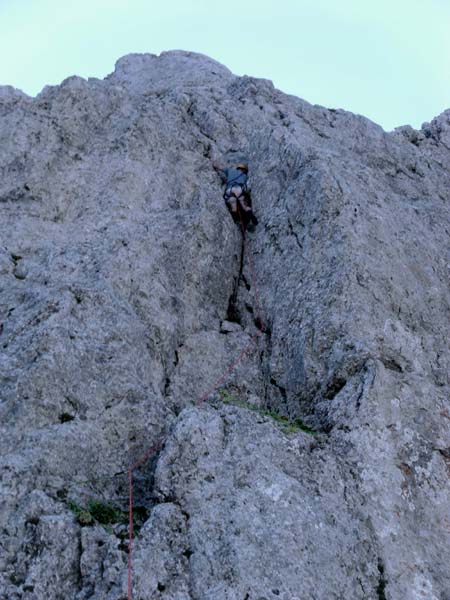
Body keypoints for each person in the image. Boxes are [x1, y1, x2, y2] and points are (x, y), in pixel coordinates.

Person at [213, 160, 258, 228]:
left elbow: (219, 167)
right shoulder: (244, 176)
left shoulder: (230, 170)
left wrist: (214, 164)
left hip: (230, 190)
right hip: (239, 189)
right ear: (244, 170)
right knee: (245, 206)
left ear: (238, 168)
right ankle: (252, 219)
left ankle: (237, 222)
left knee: (234, 208)